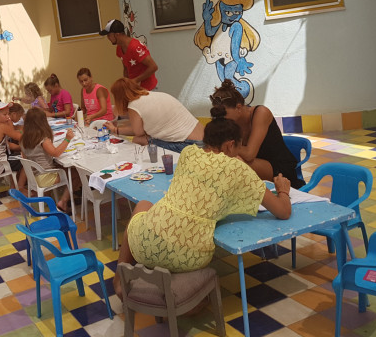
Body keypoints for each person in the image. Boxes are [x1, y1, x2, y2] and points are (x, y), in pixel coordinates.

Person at [113, 105, 292, 298]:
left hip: (142, 245)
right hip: (190, 256)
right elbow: (283, 212)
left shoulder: (188, 153)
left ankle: (119, 281)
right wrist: (283, 190)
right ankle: (184, 299)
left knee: (143, 205)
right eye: (238, 148)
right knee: (185, 258)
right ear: (230, 145)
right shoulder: (239, 170)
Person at [210, 79, 305, 189]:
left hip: (280, 168)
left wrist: (224, 145)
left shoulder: (261, 113)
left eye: (223, 114)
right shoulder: (229, 121)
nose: (221, 118)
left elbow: (249, 154)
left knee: (235, 161)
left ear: (238, 107)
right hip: (257, 166)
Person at [105, 78, 204, 153]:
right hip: (206, 140)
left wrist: (115, 129)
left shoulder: (133, 106)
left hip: (189, 145)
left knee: (139, 140)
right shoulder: (154, 95)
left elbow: (138, 133)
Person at [19, 107, 75, 212]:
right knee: (75, 173)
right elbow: (56, 153)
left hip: (33, 176)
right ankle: (63, 201)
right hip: (45, 177)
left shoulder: (23, 139)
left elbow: (25, 158)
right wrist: (67, 139)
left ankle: (48, 197)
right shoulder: (43, 139)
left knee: (60, 167)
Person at [99, 19, 158, 91]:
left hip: (148, 89)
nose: (108, 38)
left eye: (109, 35)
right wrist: (126, 84)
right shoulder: (119, 48)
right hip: (135, 89)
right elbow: (126, 68)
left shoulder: (135, 47)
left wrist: (135, 80)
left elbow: (153, 67)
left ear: (117, 35)